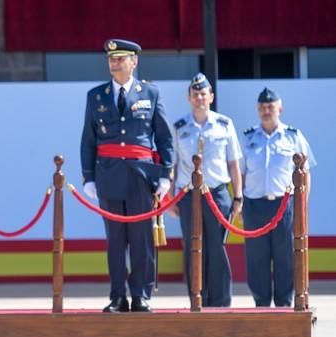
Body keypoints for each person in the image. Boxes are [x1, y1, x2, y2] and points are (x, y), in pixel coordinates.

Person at [80, 38, 174, 313]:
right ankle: (118, 296)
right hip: (108, 175)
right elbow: (88, 139)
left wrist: (166, 174)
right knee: (116, 241)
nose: (115, 63)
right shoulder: (96, 96)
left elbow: (164, 137)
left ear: (135, 62)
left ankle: (141, 295)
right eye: (112, 58)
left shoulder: (151, 93)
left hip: (140, 176)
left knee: (142, 238)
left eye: (121, 58)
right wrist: (89, 177)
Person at [170, 73, 243, 307]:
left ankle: (220, 301)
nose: (200, 98)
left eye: (204, 94)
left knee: (217, 247)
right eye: (195, 94)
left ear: (211, 97)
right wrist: (170, 198)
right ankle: (197, 298)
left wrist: (238, 195)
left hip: (217, 193)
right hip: (188, 195)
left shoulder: (224, 124)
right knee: (193, 246)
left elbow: (233, 162)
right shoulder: (179, 126)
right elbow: (173, 164)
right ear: (189, 98)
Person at [241, 88, 316, 307]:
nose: (266, 111)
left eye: (270, 107)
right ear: (257, 110)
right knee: (257, 258)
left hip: (285, 205)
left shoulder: (293, 136)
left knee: (285, 257)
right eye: (262, 107)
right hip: (254, 205)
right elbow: (241, 174)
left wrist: (302, 205)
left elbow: (306, 172)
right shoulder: (248, 138)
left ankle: (284, 304)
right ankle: (261, 304)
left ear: (279, 108)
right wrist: (241, 205)